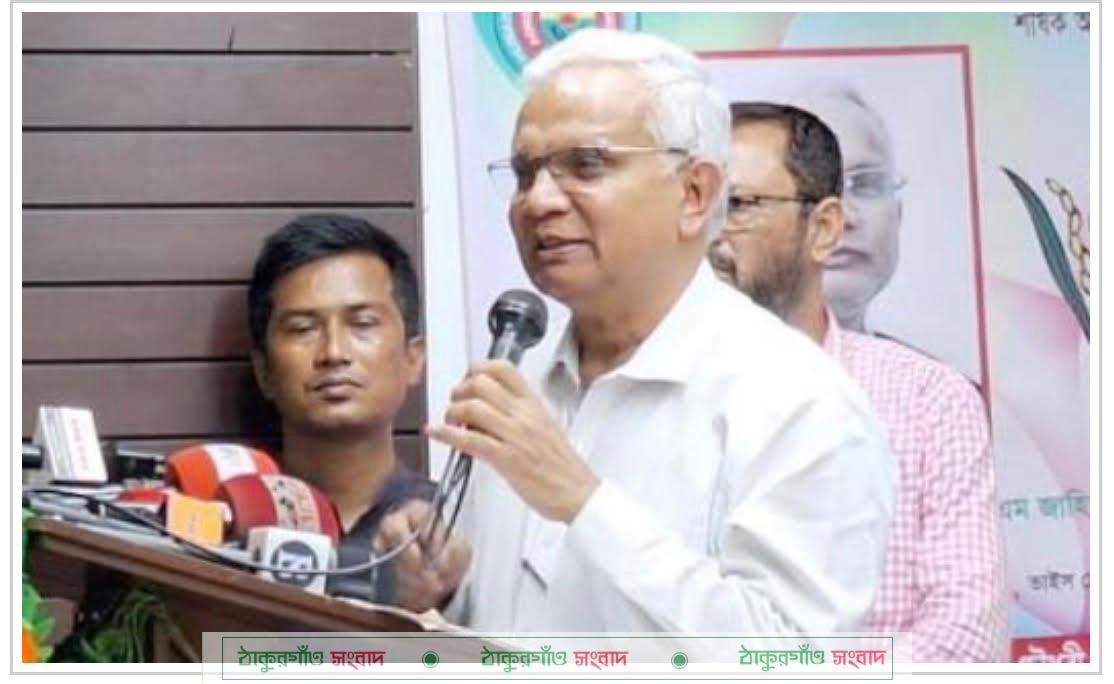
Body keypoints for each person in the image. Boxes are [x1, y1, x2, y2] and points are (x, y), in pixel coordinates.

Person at [382, 28, 896, 635]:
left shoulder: (798, 400)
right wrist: (442, 590)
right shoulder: (521, 380)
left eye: (586, 165)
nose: (538, 201)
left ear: (695, 193)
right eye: (524, 173)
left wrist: (584, 502)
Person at [707, 101, 1006, 661]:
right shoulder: (643, 394)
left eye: (737, 206)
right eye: (694, 207)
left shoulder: (929, 401)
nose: (708, 235)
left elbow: (964, 641)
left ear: (824, 228)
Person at [245, 214, 468, 585]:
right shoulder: (227, 524)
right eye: (303, 328)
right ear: (264, 370)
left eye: (363, 324)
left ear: (413, 359)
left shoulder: (455, 527)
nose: (333, 353)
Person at [794, 83, 905, 334]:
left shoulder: (918, 363)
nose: (844, 218)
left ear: (898, 215)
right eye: (809, 185)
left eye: (866, 183)